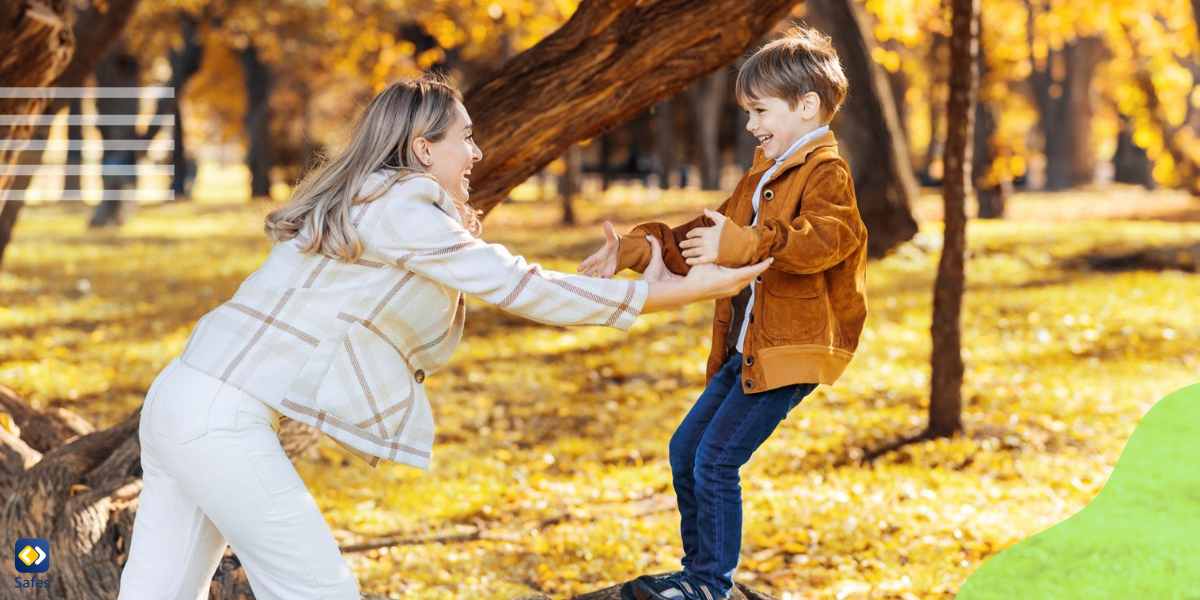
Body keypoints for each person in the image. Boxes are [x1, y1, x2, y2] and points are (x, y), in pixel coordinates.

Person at [116, 73, 771, 600]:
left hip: (180, 399)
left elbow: (432, 301)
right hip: (218, 421)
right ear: (424, 149)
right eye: (466, 137)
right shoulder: (404, 204)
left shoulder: (366, 200)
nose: (478, 153)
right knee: (319, 590)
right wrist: (684, 291)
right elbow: (522, 287)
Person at [578, 26, 868, 600]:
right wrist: (638, 248)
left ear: (806, 106)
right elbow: (707, 235)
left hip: (790, 350)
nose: (751, 124)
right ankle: (697, 572)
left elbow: (826, 240)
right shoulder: (763, 174)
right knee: (686, 450)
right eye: (748, 111)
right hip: (748, 348)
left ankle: (710, 585)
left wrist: (744, 244)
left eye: (760, 110)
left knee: (715, 459)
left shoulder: (825, 174)